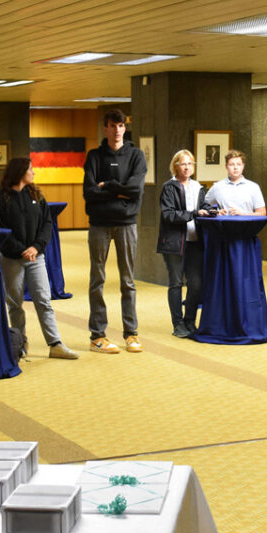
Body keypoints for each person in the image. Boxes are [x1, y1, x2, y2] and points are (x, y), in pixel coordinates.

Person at [0, 157, 78, 360]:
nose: (34, 172)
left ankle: (55, 343)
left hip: (36, 258)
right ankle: (19, 343)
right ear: (20, 171)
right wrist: (23, 249)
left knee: (43, 300)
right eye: (31, 169)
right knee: (14, 303)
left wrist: (35, 247)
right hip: (11, 259)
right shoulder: (2, 199)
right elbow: (1, 230)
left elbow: (47, 224)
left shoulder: (36, 195)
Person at [83, 109, 147, 354]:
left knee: (128, 281)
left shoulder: (136, 156)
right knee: (97, 279)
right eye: (113, 125)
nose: (118, 130)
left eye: (122, 125)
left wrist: (107, 185)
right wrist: (120, 192)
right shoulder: (94, 156)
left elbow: (136, 190)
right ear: (105, 128)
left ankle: (131, 333)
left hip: (126, 224)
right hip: (99, 224)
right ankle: (97, 335)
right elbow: (89, 192)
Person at [157, 149, 211, 338]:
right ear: (175, 166)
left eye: (190, 163)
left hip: (195, 242)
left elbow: (203, 207)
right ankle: (178, 324)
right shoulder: (169, 187)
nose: (187, 167)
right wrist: (194, 214)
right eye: (183, 163)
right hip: (174, 243)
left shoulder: (198, 187)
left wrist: (210, 211)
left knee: (196, 284)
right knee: (176, 284)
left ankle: (190, 321)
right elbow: (169, 214)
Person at [205, 150, 266, 215]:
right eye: (231, 164)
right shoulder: (217, 187)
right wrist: (216, 212)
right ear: (226, 167)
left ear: (243, 166)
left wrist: (243, 215)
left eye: (239, 164)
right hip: (224, 224)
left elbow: (262, 213)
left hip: (247, 224)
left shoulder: (253, 187)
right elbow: (204, 207)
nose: (235, 167)